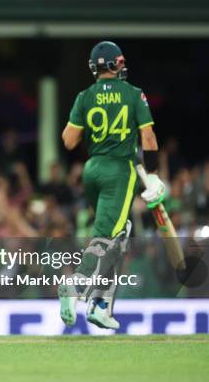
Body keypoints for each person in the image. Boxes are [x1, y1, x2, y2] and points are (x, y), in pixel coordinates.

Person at [59, 41, 165, 329]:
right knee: (107, 237)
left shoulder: (84, 96)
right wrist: (153, 175)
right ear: (116, 64)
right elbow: (149, 140)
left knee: (118, 238)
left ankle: (100, 305)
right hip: (120, 170)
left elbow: (68, 140)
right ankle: (77, 288)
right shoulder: (133, 94)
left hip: (92, 170)